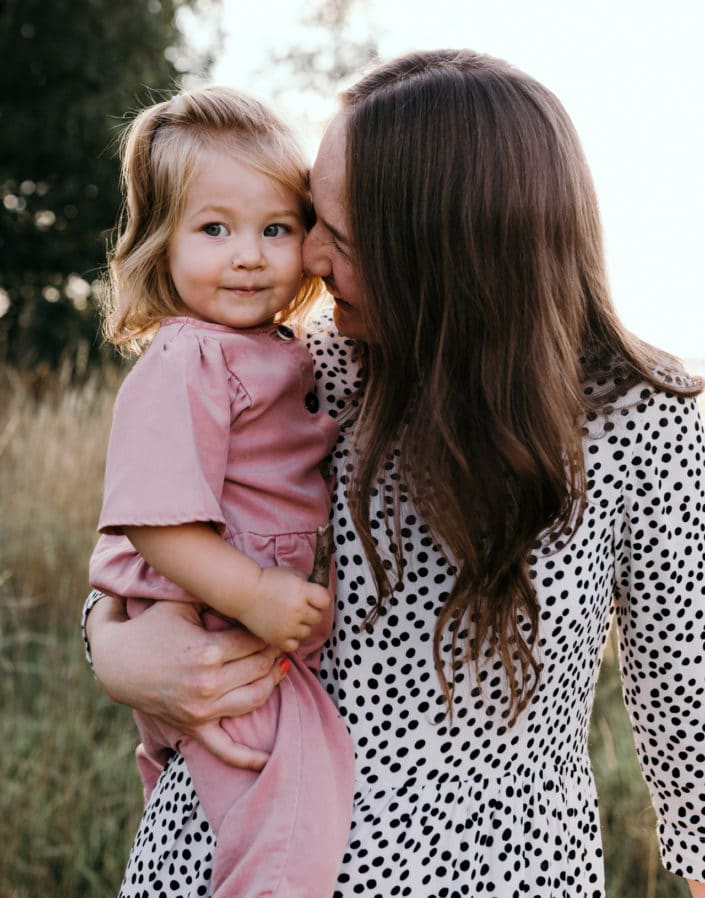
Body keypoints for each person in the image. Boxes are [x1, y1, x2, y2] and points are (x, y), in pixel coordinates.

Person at [84, 50, 705, 898]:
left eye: (334, 233)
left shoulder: (640, 417)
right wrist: (112, 647)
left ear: (439, 249)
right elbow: (150, 539)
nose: (301, 254)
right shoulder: (306, 371)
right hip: (232, 858)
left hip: (503, 875)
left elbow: (687, 699)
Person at [88, 85, 354, 898]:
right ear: (161, 246)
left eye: (275, 229)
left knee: (224, 787)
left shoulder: (281, 350)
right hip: (214, 610)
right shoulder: (187, 360)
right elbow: (153, 525)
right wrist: (258, 593)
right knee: (286, 801)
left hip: (229, 609)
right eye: (214, 230)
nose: (248, 254)